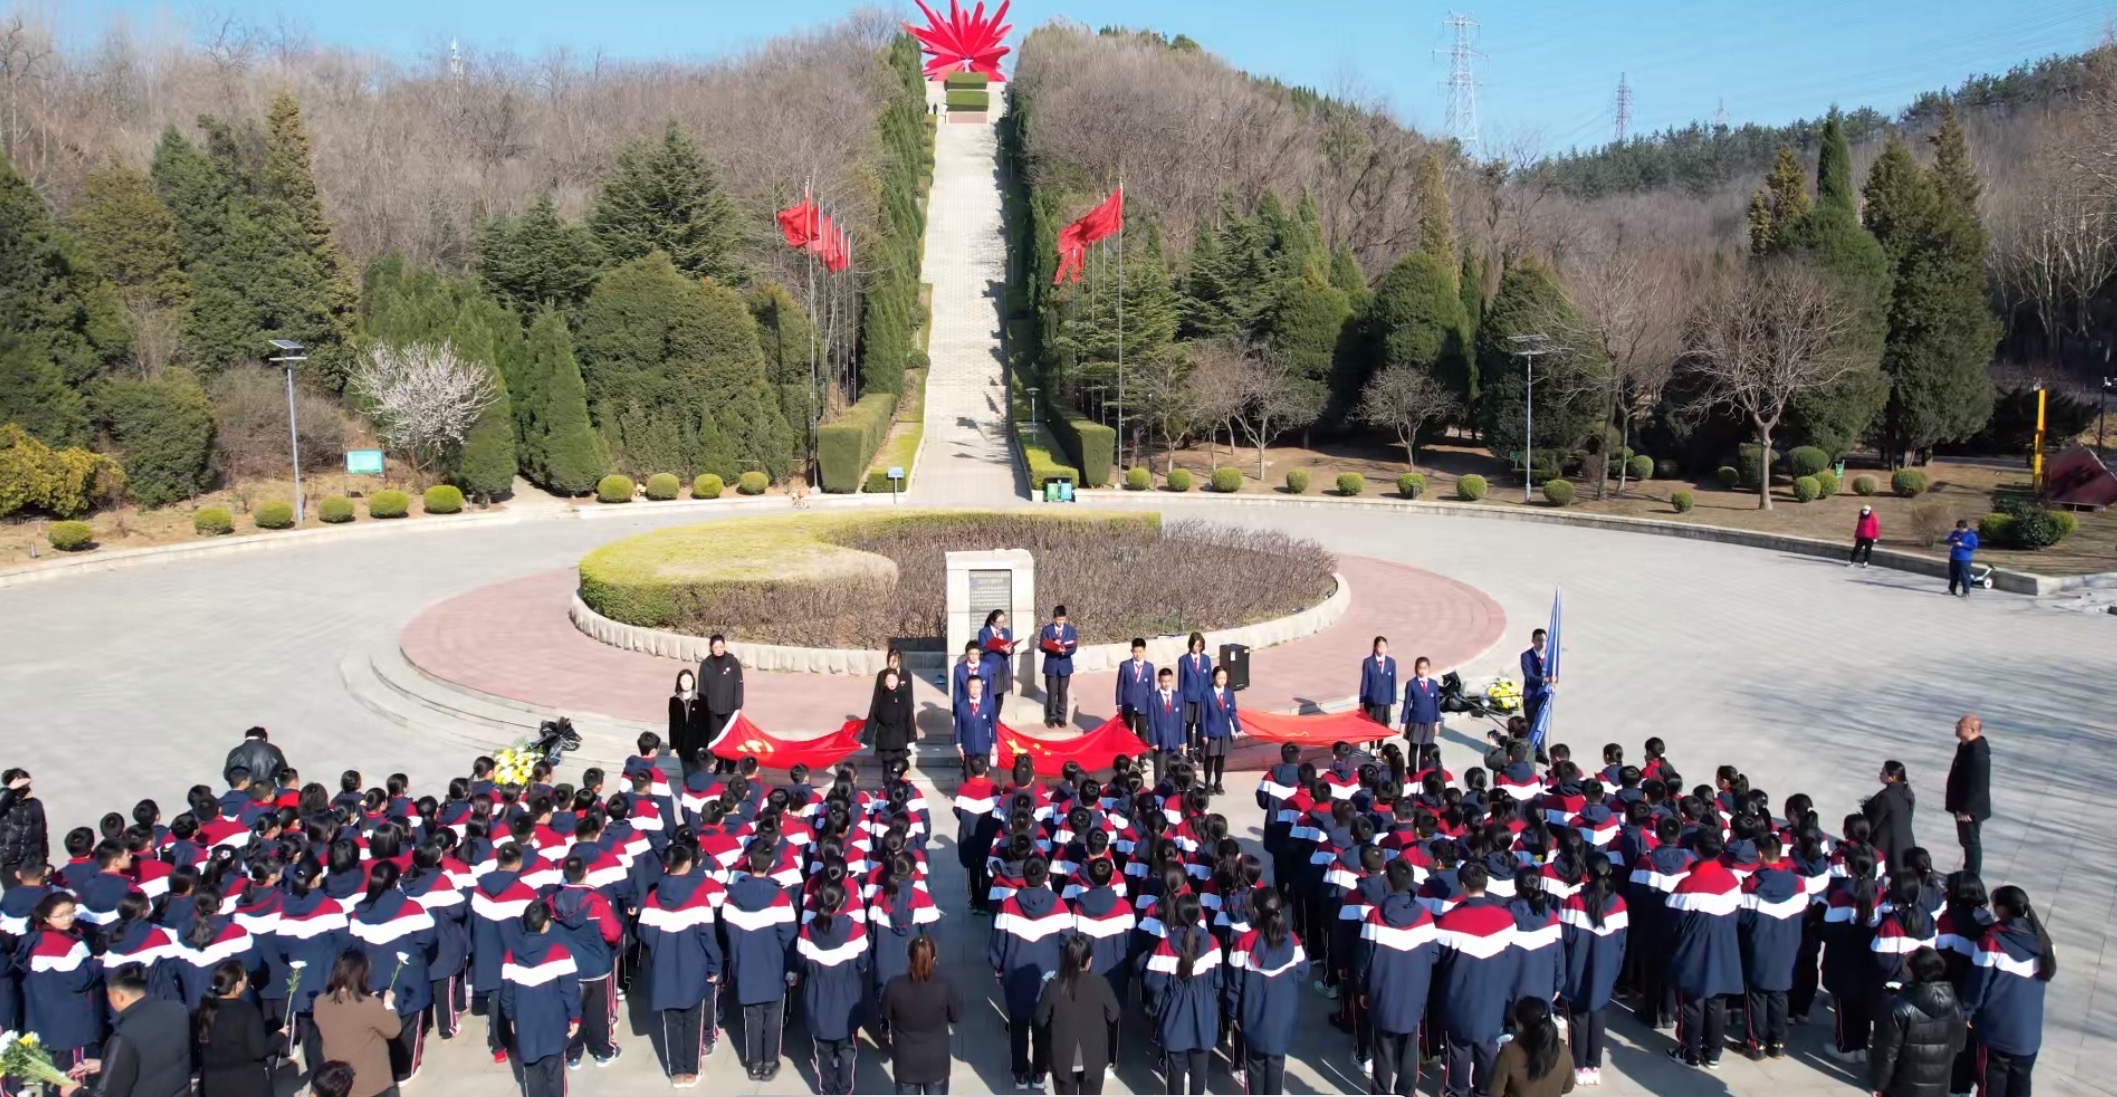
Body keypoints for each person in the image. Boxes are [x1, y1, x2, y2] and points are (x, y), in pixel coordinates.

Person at [634, 844, 723, 1088]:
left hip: (663, 970)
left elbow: (643, 933)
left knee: (671, 1024)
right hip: (694, 970)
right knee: (693, 1022)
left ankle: (677, 1073)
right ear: (687, 864)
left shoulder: (653, 898)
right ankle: (692, 1071)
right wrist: (715, 967)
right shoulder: (699, 898)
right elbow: (708, 939)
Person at [1434, 862, 1518, 1097]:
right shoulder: (1506, 919)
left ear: (1463, 885)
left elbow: (1438, 962)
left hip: (1458, 997)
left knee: (1458, 1048)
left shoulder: (1449, 921)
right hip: (1493, 997)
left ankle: (1457, 1091)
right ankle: (1484, 1092)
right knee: (1488, 1047)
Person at [1963, 885, 2054, 1097]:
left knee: (1991, 1088)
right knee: (2020, 1087)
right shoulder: (2043, 942)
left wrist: (1967, 1012)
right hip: (2028, 1036)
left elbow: (1978, 984)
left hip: (1996, 1032)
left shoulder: (1991, 942)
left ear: (2003, 909)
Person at [1355, 859, 1436, 1097]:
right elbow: (1433, 955)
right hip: (1414, 993)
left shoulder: (1375, 916)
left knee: (1382, 1049)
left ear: (1388, 883)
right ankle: (1406, 1092)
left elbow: (1364, 959)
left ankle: (1381, 1091)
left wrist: (1362, 990)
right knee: (1410, 1048)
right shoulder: (1424, 916)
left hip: (1382, 993)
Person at [1666, 829, 1743, 1070]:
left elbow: (1674, 922)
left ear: (1697, 849)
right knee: (1716, 1003)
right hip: (1724, 949)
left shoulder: (1687, 885)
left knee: (1692, 1004)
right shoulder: (1732, 881)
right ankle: (1713, 1053)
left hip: (1694, 952)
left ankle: (1690, 1052)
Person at [989, 855, 1067, 1090]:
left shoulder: (1008, 907)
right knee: (1044, 1028)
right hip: (1049, 978)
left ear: (1024, 876)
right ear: (1046, 876)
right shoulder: (1059, 905)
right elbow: (1068, 942)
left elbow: (998, 945)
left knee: (1018, 1027)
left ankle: (1020, 1074)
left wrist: (998, 970)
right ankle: (1041, 1073)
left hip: (1016, 977)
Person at [723, 841, 798, 1082]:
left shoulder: (731, 898)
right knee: (773, 1017)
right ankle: (769, 1062)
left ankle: (754, 1063)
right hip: (773, 967)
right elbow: (789, 938)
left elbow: (728, 933)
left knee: (751, 1016)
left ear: (749, 862)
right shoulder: (780, 898)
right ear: (772, 864)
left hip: (745, 966)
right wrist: (791, 969)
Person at [1142, 891, 1222, 1095]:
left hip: (1174, 1015)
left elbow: (1153, 983)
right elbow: (1217, 982)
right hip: (1204, 1014)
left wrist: (1155, 1009)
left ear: (1176, 915)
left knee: (1175, 1075)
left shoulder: (1165, 946)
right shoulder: (1213, 943)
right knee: (1199, 1074)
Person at [499, 901, 580, 1097]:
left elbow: (506, 994)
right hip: (554, 1024)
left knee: (532, 1075)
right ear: (545, 925)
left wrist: (510, 1017)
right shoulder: (559, 953)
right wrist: (575, 1017)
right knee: (555, 1075)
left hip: (525, 1025)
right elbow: (570, 991)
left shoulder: (510, 955)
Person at [1559, 857, 1627, 1086]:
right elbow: (1621, 944)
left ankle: (1579, 1066)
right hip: (1605, 973)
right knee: (1598, 1017)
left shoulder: (1573, 902)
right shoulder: (1620, 904)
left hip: (1576, 973)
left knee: (1577, 1019)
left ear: (1587, 873)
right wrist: (1614, 973)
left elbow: (1564, 940)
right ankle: (1593, 1065)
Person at [1869, 946, 1968, 1097]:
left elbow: (1886, 1055)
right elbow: (1959, 1046)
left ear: (1913, 971)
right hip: (1939, 1088)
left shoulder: (1900, 1008)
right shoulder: (1955, 1005)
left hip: (1901, 1089)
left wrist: (1878, 1085)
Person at [1034, 934, 1120, 1096]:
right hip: (1093, 1057)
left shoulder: (1054, 986)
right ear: (1089, 961)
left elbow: (1040, 1019)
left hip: (1063, 1057)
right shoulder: (1101, 984)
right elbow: (1114, 1014)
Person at [312, 950, 403, 1097]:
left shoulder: (320, 1001)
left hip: (338, 1083)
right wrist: (388, 1004)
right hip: (372, 1081)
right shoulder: (369, 1005)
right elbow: (393, 1029)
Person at [882, 936, 963, 1095]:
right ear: (933, 959)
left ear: (909, 958)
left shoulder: (894, 986)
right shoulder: (944, 985)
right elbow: (957, 1016)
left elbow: (885, 1013)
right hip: (936, 1064)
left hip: (906, 1063)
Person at [194, 959, 273, 1097]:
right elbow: (259, 1051)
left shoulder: (202, 1011)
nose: (247, 978)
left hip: (212, 1085)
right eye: (245, 975)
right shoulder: (248, 1011)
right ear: (237, 984)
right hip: (248, 1085)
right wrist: (279, 1037)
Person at [1489, 996, 1574, 1097]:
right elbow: (1568, 1087)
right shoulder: (1563, 1050)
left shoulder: (1509, 1054)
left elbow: (1494, 1092)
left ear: (1520, 1025)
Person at [1944, 715, 1991, 877]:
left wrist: (1966, 810)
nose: (1956, 726)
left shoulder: (1977, 754)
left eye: (1960, 725)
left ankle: (1972, 876)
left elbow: (1977, 785)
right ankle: (1968, 872)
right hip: (1961, 804)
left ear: (1972, 729)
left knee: (1971, 842)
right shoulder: (1965, 747)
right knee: (1966, 841)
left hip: (1970, 810)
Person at [697, 635, 744, 775]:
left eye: (721, 646)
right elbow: (702, 688)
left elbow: (739, 684)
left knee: (730, 737)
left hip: (730, 707)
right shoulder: (705, 665)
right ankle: (717, 765)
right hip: (713, 708)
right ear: (711, 648)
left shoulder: (732, 662)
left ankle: (730, 765)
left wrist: (738, 705)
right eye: (716, 647)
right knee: (716, 738)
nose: (719, 649)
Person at [1866, 760, 1919, 872]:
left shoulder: (1886, 797)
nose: (1880, 773)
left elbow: (1872, 823)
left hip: (1888, 847)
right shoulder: (1908, 793)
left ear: (1892, 777)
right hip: (1905, 843)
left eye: (1883, 772)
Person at [0, 767, 49, 886]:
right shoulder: (5, 806)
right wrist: (9, 790)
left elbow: (42, 832)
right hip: (9, 862)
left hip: (32, 861)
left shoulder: (35, 804)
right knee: (15, 893)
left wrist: (44, 858)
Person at [868, 667, 915, 778]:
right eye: (889, 680)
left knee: (899, 769)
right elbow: (873, 717)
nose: (892, 683)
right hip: (885, 739)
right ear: (885, 682)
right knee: (887, 770)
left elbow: (909, 718)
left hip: (900, 738)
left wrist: (911, 738)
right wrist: (866, 738)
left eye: (894, 680)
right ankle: (886, 787)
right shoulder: (880, 697)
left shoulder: (904, 696)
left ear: (898, 680)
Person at [1201, 665, 1241, 796]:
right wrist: (1204, 733)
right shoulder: (1206, 693)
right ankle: (1207, 783)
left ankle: (1218, 782)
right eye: (1219, 678)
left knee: (1220, 758)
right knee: (1210, 758)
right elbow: (1203, 715)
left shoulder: (1229, 693)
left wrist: (1238, 728)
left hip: (1224, 731)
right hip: (1211, 732)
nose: (1222, 680)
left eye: (1224, 678)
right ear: (1213, 678)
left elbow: (1232, 712)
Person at [1038, 607, 1079, 729]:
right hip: (1051, 665)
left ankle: (1062, 718)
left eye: (1063, 619)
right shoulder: (1047, 630)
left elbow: (1074, 647)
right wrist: (1052, 646)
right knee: (1052, 692)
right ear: (1054, 618)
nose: (1061, 622)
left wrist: (1064, 651)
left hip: (1065, 665)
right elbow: (1042, 646)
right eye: (1058, 619)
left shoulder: (1070, 630)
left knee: (1063, 692)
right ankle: (1051, 717)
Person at [1144, 668, 1186, 784]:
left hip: (1174, 740)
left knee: (1174, 769)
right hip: (1160, 740)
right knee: (1159, 770)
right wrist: (1153, 741)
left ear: (1172, 680)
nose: (1166, 684)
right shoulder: (1153, 698)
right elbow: (1151, 721)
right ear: (1159, 680)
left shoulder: (1178, 697)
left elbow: (1181, 720)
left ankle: (1172, 790)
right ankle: (1158, 791)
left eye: (1168, 681)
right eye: (1163, 681)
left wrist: (1182, 739)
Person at [1177, 633, 1213, 761]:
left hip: (1202, 698)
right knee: (1189, 724)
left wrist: (1211, 697)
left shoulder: (1206, 659)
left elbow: (1209, 680)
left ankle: (1199, 749)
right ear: (1190, 645)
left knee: (1200, 724)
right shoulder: (1184, 660)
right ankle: (1190, 749)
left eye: (1200, 645)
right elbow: (1181, 681)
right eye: (1195, 645)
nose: (1197, 648)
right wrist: (1181, 699)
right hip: (1189, 698)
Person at [952, 674, 997, 771]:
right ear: (967, 688)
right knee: (969, 775)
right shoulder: (961, 706)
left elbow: (993, 726)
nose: (975, 690)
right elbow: (958, 727)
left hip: (984, 747)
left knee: (983, 776)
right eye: (972, 687)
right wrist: (958, 745)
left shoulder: (988, 705)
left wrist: (993, 744)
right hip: (968, 748)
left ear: (982, 688)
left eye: (977, 687)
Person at [1359, 636, 1398, 747]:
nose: (1382, 649)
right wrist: (1362, 700)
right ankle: (1372, 747)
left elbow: (1393, 681)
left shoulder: (1391, 662)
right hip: (1371, 700)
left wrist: (1393, 700)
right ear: (1375, 647)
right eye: (1380, 646)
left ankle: (1380, 747)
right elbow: (1365, 681)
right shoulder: (1368, 662)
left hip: (1385, 700)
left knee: (1383, 725)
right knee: (1371, 724)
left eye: (1384, 646)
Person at [1115, 638, 1156, 745]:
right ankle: (1126, 753)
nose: (1138, 654)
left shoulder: (1149, 667)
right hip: (1128, 704)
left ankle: (1142, 754)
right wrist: (1119, 703)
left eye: (1140, 651)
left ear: (1144, 651)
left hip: (1143, 706)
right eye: (1135, 651)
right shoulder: (1125, 666)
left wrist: (1152, 705)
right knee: (1126, 732)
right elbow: (1120, 685)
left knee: (1142, 733)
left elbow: (1151, 688)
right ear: (1132, 651)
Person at [220, 728, 288, 791]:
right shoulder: (273, 750)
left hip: (243, 793)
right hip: (267, 792)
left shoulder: (235, 752)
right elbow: (285, 774)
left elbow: (226, 775)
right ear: (264, 738)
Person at [978, 610, 1024, 701]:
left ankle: (997, 711)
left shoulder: (1006, 631)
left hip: (1003, 666)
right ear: (992, 621)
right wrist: (997, 646)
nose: (1001, 624)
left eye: (1003, 621)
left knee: (1000, 695)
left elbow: (1011, 647)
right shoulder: (983, 632)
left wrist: (1009, 650)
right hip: (990, 666)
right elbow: (982, 649)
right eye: (998, 622)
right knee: (990, 694)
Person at [668, 671, 705, 779]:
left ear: (693, 681)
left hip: (697, 743)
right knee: (687, 772)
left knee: (697, 772)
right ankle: (687, 788)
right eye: (683, 681)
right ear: (679, 683)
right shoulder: (674, 700)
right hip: (682, 743)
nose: (687, 683)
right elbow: (672, 725)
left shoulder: (701, 699)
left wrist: (704, 744)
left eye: (689, 680)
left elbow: (705, 724)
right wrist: (673, 747)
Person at [1403, 657, 1443, 750]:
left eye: (1425, 668)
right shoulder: (1411, 684)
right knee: (1413, 748)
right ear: (1416, 668)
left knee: (1425, 749)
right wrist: (1403, 722)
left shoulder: (1433, 684)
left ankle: (1423, 761)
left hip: (1429, 721)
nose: (1422, 671)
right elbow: (1407, 704)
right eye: (1420, 668)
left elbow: (1436, 704)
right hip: (1415, 721)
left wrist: (1437, 723)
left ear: (1429, 669)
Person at [1520, 629, 1554, 728]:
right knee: (1532, 727)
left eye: (1544, 640)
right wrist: (1546, 679)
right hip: (1531, 698)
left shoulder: (1548, 656)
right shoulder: (1526, 656)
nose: (1542, 643)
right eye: (1539, 640)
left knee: (1542, 727)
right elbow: (1529, 677)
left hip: (1544, 697)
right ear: (1533, 641)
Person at [1945, 519, 1979, 597]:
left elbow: (1973, 546)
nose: (1959, 530)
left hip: (1964, 558)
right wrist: (1952, 541)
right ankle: (1952, 590)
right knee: (1953, 575)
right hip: (1954, 556)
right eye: (1958, 528)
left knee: (1965, 575)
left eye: (1960, 529)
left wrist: (1963, 545)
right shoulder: (1955, 533)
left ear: (1964, 527)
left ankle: (1966, 592)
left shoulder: (1971, 535)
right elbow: (1948, 540)